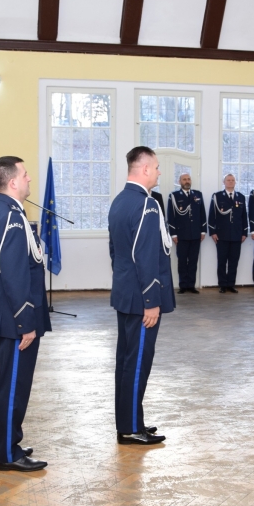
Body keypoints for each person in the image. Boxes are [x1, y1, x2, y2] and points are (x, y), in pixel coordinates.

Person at [0, 156, 51, 472]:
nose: (29, 178)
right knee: (12, 388)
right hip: (14, 319)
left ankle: (6, 443)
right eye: (24, 174)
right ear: (12, 182)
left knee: (4, 385)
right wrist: (26, 323)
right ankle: (7, 452)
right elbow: (14, 274)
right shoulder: (9, 217)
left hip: (2, 316)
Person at [108, 146, 175, 445]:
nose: (160, 172)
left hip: (126, 295)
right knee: (137, 364)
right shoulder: (146, 206)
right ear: (145, 169)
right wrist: (151, 301)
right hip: (142, 301)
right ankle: (131, 428)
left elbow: (116, 253)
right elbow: (145, 257)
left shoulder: (120, 201)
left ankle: (130, 422)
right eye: (158, 167)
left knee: (126, 361)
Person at [167, 173, 206, 294]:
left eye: (189, 179)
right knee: (182, 261)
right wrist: (173, 234)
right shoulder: (173, 196)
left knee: (193, 261)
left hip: (195, 234)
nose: (187, 181)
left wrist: (203, 230)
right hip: (181, 235)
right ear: (179, 182)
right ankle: (183, 285)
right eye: (184, 179)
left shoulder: (197, 195)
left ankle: (191, 285)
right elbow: (171, 216)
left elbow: (202, 213)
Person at [208, 173, 248, 293]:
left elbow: (244, 216)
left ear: (235, 182)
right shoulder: (217, 196)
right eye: (228, 180)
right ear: (223, 182)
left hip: (236, 234)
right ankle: (222, 285)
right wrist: (213, 232)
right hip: (222, 234)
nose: (230, 182)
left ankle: (231, 284)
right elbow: (212, 215)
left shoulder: (240, 197)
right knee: (222, 261)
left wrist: (244, 232)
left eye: (232, 180)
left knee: (234, 261)